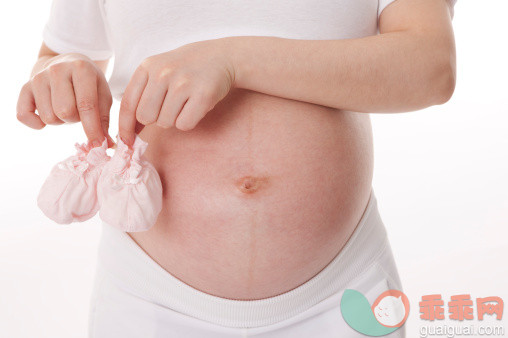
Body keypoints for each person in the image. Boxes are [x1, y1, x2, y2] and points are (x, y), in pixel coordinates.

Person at [16, 0, 457, 336]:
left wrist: (234, 60)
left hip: (339, 297)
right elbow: (58, 55)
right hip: (147, 297)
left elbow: (430, 66)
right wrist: (60, 71)